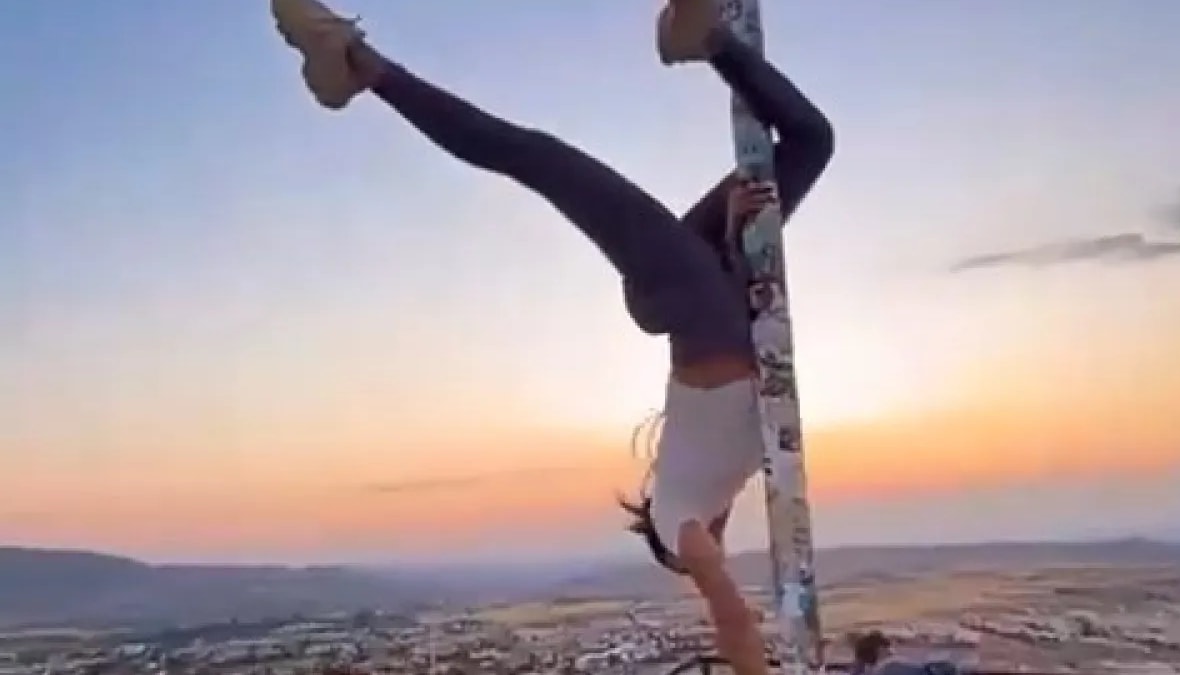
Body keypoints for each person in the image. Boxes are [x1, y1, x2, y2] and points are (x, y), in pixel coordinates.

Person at [269, 1, 833, 673]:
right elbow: (741, 335)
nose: (717, 546)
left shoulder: (681, 523)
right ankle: (703, 40)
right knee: (810, 142)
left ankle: (358, 67)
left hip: (682, 296)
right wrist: (739, 245)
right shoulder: (728, 477)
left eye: (699, 554)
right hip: (706, 291)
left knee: (536, 157)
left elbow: (731, 618)